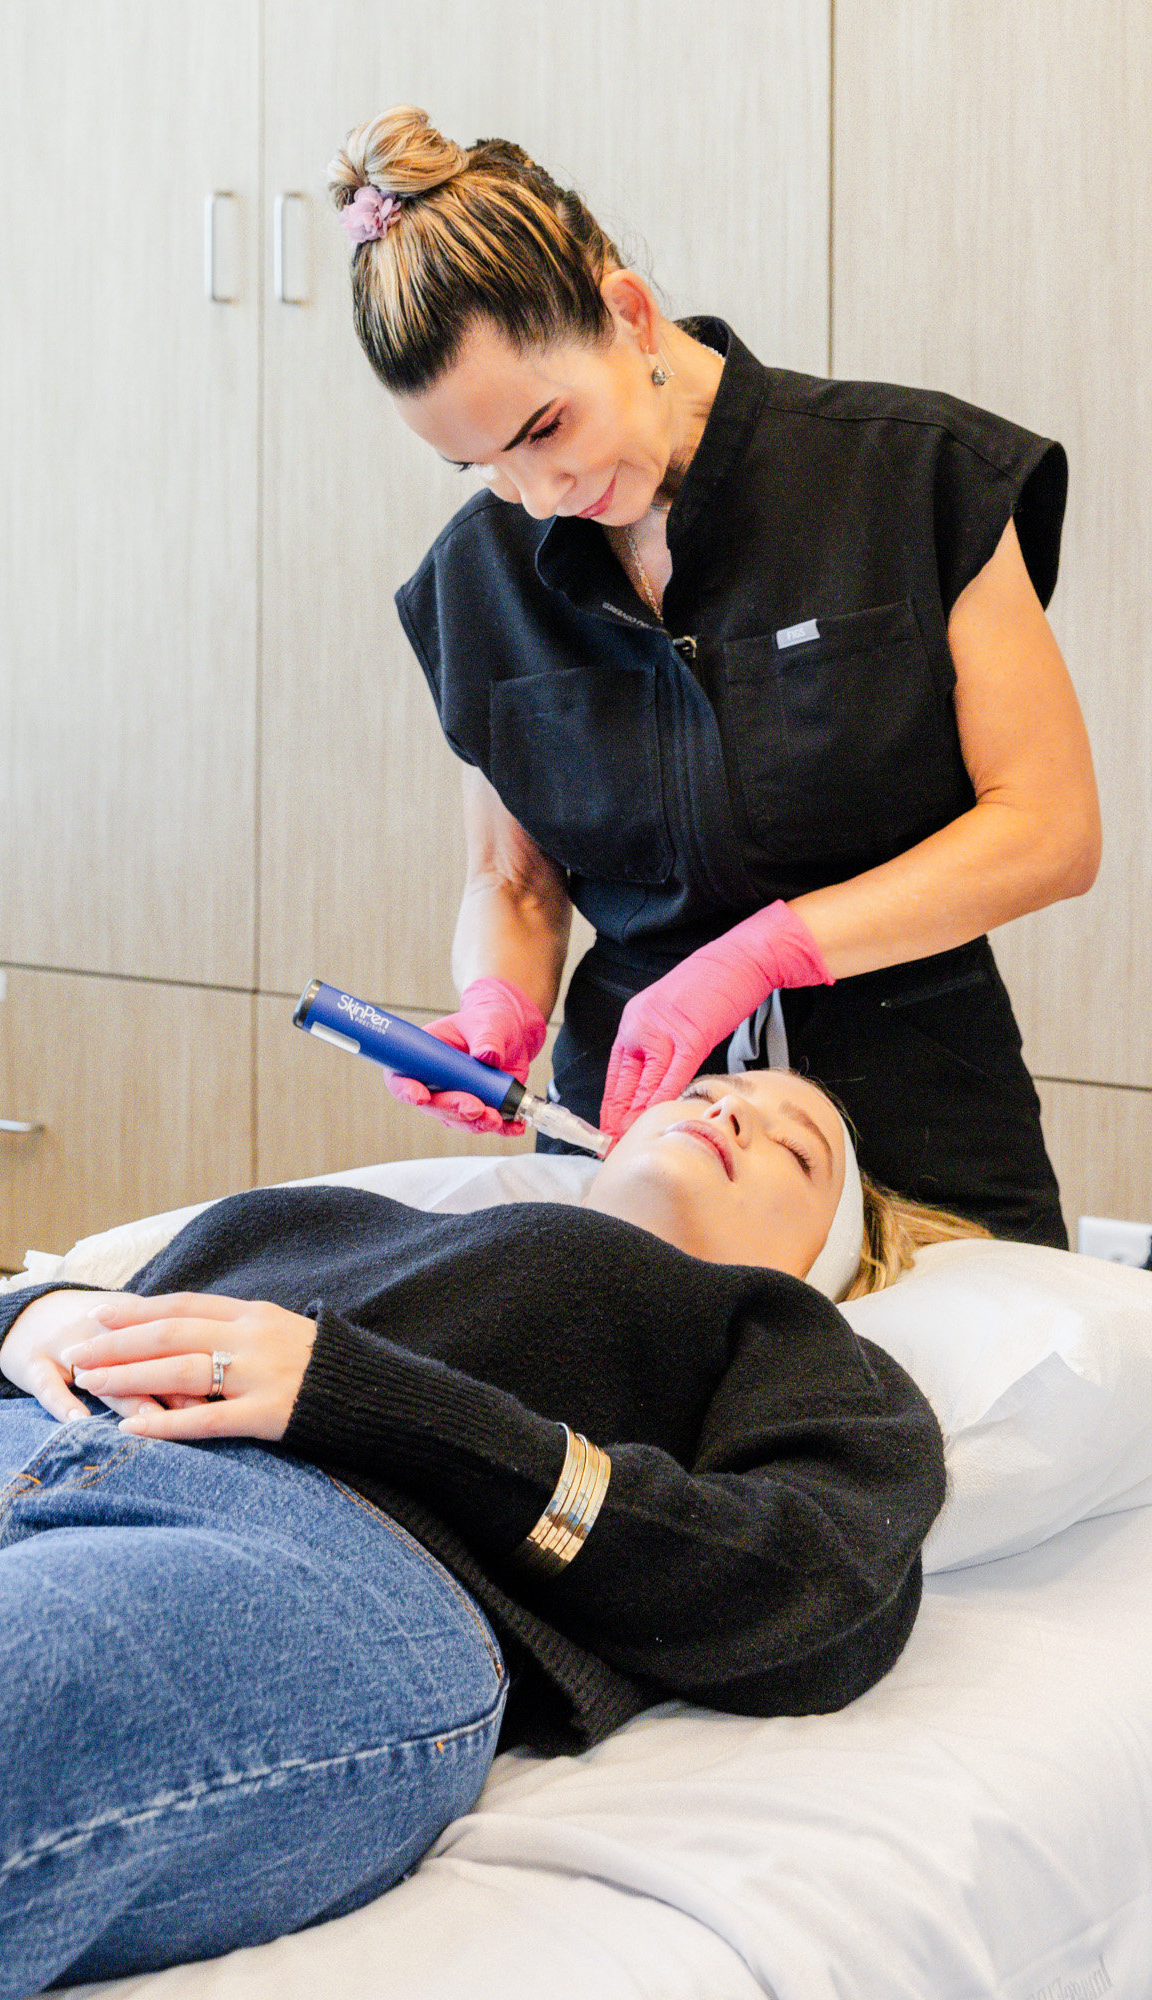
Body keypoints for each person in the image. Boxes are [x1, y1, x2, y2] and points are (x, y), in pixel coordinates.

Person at [0, 1071, 974, 1993]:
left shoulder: (781, 1335)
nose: (733, 1110)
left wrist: (359, 1396)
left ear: (828, 1260)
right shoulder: (309, 1214)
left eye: (797, 1149)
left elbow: (819, 1595)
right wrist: (26, 1321)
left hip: (323, 1558)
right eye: (714, 1085)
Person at [327, 108, 1102, 1248]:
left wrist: (767, 948)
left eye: (546, 428)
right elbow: (513, 877)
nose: (535, 493)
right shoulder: (477, 577)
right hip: (636, 1152)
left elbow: (1047, 827)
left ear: (627, 312)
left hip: (926, 1146)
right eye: (480, 464)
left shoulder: (916, 479)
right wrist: (500, 1003)